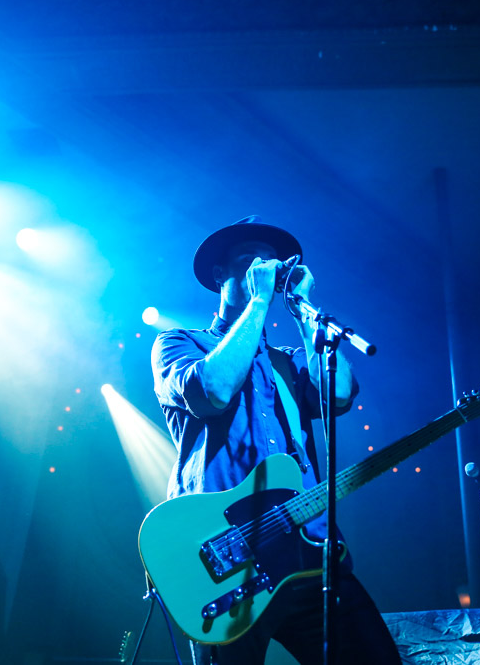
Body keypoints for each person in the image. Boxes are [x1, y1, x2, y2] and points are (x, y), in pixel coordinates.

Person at [151, 217, 401, 665]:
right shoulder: (180, 342)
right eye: (249, 260)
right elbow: (213, 391)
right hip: (225, 556)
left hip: (309, 549)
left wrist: (301, 307)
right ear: (219, 275)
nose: (262, 268)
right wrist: (260, 300)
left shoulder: (288, 362)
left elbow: (339, 394)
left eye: (269, 262)